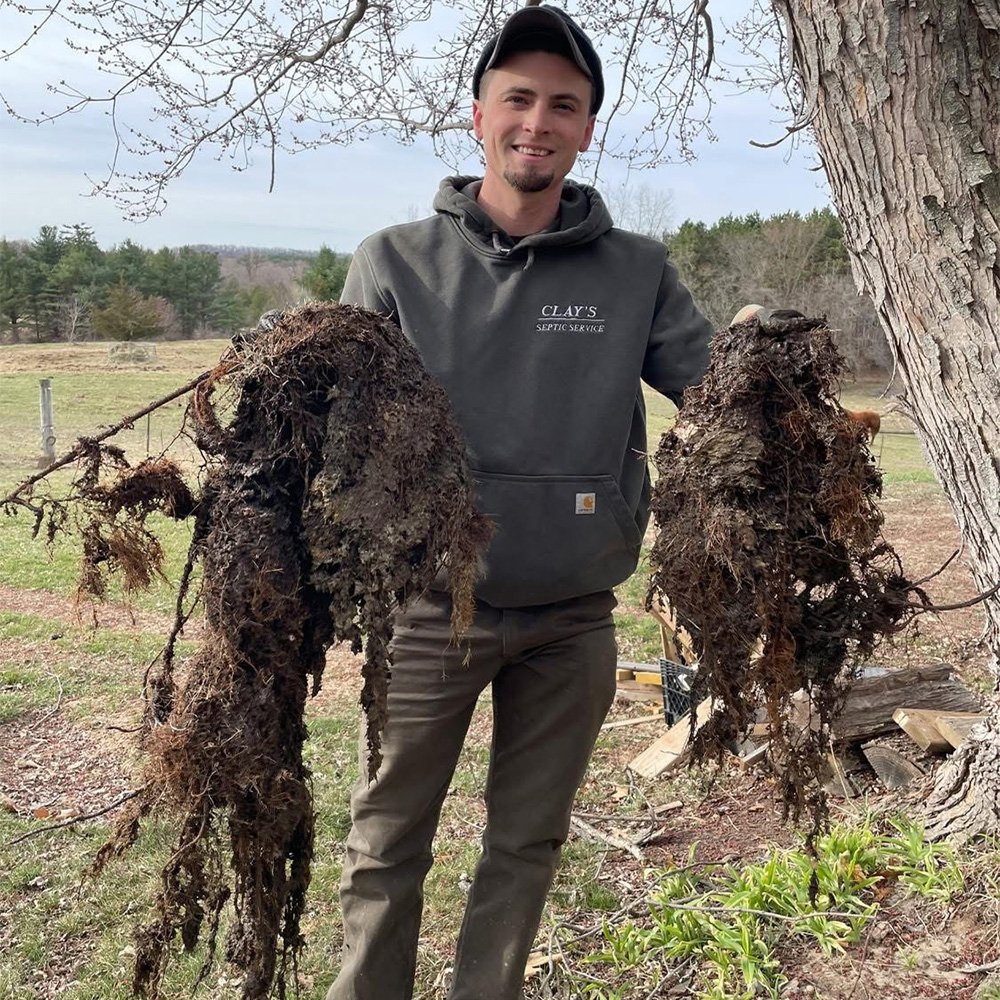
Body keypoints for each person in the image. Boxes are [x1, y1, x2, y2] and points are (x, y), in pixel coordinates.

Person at [330, 6, 713, 999]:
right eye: (517, 99)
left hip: (572, 616)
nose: (535, 122)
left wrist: (777, 368)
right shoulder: (394, 262)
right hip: (425, 615)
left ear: (586, 128)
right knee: (384, 848)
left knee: (525, 844)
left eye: (562, 105)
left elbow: (718, 387)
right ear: (478, 117)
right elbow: (335, 427)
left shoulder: (635, 270)